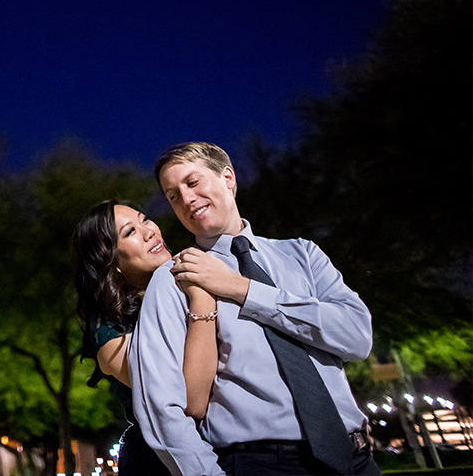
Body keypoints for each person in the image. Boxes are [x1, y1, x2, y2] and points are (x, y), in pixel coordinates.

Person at [130, 142, 380, 475]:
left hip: (356, 459)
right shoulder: (175, 278)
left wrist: (241, 288)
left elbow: (357, 337)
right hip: (260, 463)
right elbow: (163, 406)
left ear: (228, 178)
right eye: (173, 195)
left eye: (192, 182)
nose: (186, 199)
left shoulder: (302, 255)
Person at [74, 200, 220, 475]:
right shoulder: (109, 331)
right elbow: (185, 396)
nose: (149, 231)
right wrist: (203, 303)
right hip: (160, 461)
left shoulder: (198, 275)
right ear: (111, 261)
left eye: (145, 219)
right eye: (130, 232)